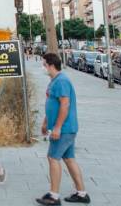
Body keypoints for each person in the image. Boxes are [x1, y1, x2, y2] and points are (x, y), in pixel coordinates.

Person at [36, 53, 91, 205]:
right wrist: (46, 122)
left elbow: (64, 104)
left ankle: (53, 196)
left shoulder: (61, 81)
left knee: (53, 158)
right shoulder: (54, 81)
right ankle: (81, 193)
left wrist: (58, 127)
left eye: (44, 64)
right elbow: (51, 103)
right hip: (64, 128)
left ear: (51, 65)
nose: (43, 67)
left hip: (64, 128)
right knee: (68, 158)